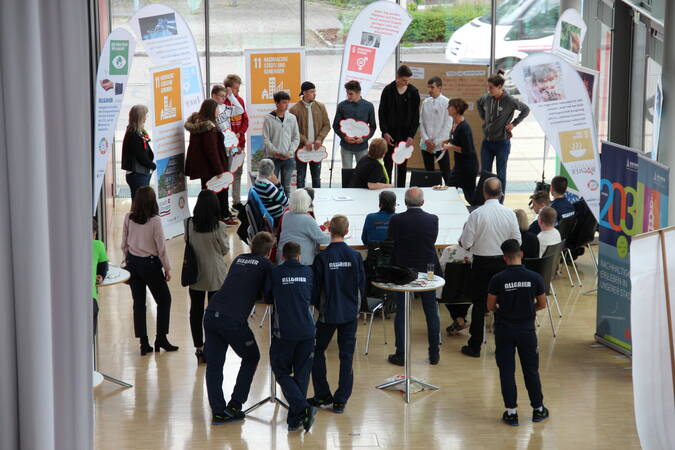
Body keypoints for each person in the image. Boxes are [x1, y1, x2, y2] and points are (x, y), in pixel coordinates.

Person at [204, 231, 276, 425]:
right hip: (232, 320)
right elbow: (269, 294)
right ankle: (235, 404)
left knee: (214, 365)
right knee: (252, 356)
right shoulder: (266, 264)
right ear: (269, 252)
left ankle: (218, 412)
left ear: (251, 246)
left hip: (211, 313)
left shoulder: (239, 259)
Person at [487, 239, 549, 426]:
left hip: (504, 330)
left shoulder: (497, 279)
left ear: (504, 258)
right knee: (531, 370)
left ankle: (512, 412)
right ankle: (538, 409)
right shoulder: (535, 277)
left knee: (506, 371)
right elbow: (542, 304)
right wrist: (528, 311)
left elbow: (490, 306)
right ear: (521, 254)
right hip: (527, 331)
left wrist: (504, 311)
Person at [458, 177, 521, 357]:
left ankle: (475, 346)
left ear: (483, 193)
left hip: (481, 263)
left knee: (479, 305)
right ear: (501, 193)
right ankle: (505, 345)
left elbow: (467, 242)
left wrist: (470, 245)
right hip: (504, 263)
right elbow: (517, 241)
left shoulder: (476, 215)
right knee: (504, 304)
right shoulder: (509, 214)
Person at [309, 215, 366, 414]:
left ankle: (322, 393)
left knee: (316, 350)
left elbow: (315, 290)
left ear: (329, 230)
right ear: (347, 231)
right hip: (350, 313)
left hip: (328, 314)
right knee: (346, 356)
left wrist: (319, 307)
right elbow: (361, 286)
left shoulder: (322, 258)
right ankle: (341, 400)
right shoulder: (355, 256)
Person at [387, 188, 441, 366]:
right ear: (423, 203)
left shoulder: (396, 219)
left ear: (405, 202)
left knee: (401, 312)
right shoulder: (433, 219)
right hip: (427, 270)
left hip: (403, 272)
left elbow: (391, 238)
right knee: (431, 311)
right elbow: (431, 241)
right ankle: (434, 353)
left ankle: (401, 354)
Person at [268, 242, 318, 432]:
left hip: (284, 333)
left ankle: (303, 409)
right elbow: (311, 296)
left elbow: (267, 295)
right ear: (299, 256)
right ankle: (294, 421)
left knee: (280, 370)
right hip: (307, 330)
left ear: (283, 256)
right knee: (302, 374)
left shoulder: (276, 273)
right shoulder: (307, 272)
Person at [121, 186, 177, 355]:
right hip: (151, 265)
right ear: (153, 202)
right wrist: (167, 268)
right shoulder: (155, 221)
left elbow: (124, 244)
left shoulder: (128, 217)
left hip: (132, 264)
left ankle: (143, 343)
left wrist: (126, 261)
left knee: (139, 303)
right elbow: (161, 248)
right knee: (164, 300)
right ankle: (161, 338)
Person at [184, 190, 229, 364]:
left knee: (195, 311)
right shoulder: (220, 226)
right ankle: (212, 345)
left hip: (195, 273)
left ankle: (199, 348)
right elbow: (225, 249)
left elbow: (187, 242)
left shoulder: (188, 223)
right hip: (216, 274)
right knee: (214, 312)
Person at [185, 99, 238, 226]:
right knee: (220, 191)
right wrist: (219, 170)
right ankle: (223, 216)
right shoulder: (208, 128)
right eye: (217, 108)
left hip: (204, 167)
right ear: (211, 110)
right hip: (212, 167)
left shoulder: (199, 124)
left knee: (207, 192)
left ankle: (211, 216)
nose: (218, 111)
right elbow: (211, 151)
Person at [477, 70, 530, 195]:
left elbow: (526, 110)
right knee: (485, 173)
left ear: (500, 87)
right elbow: (479, 103)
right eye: (488, 87)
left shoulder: (509, 100)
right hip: (487, 142)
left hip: (502, 142)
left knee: (501, 174)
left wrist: (514, 124)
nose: (489, 90)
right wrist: (484, 118)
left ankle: (500, 201)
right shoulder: (488, 97)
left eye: (491, 88)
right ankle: (484, 199)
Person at [379, 65, 420, 187]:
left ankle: (401, 190)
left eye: (408, 80)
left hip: (405, 134)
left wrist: (411, 135)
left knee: (402, 166)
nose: (406, 83)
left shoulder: (413, 92)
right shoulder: (388, 90)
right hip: (389, 134)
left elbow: (415, 117)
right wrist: (385, 132)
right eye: (404, 80)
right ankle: (387, 188)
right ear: (397, 77)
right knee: (387, 164)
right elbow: (381, 113)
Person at [289, 81, 331, 189]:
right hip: (302, 149)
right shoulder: (295, 109)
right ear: (304, 92)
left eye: (314, 91)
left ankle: (317, 200)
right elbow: (292, 130)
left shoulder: (320, 106)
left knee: (316, 177)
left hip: (316, 149)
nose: (314, 94)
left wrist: (319, 139)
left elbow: (327, 125)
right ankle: (300, 201)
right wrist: (305, 141)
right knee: (300, 177)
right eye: (312, 91)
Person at [277, 189, 330, 265]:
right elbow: (322, 239)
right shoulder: (307, 219)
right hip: (301, 262)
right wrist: (338, 235)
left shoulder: (286, 215)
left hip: (282, 260)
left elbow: (301, 229)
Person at [333, 80, 377, 169]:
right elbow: (335, 125)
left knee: (362, 173)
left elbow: (373, 126)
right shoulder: (342, 106)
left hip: (362, 147)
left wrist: (364, 139)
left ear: (358, 93)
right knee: (346, 173)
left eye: (351, 94)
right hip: (346, 146)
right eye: (347, 93)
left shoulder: (368, 106)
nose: (348, 96)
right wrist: (344, 137)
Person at [441, 98, 479, 201]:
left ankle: (481, 212)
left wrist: (449, 147)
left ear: (456, 109)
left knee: (470, 197)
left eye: (449, 106)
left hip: (468, 167)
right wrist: (447, 141)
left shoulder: (464, 128)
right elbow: (456, 139)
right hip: (459, 166)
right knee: (449, 190)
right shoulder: (455, 123)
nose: (447, 108)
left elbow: (467, 150)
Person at [263, 91, 300, 195]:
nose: (286, 105)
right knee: (272, 187)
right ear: (277, 103)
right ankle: (274, 209)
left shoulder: (292, 118)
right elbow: (266, 139)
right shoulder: (268, 119)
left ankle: (286, 210)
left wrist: (290, 151)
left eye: (287, 102)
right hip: (273, 158)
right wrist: (277, 152)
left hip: (289, 158)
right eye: (284, 102)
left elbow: (296, 138)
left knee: (286, 187)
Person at [419, 76, 451, 183]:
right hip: (426, 144)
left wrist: (435, 142)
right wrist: (427, 140)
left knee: (446, 172)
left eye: (432, 87)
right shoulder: (425, 102)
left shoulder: (447, 102)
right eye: (428, 87)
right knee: (429, 174)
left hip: (440, 144)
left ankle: (449, 197)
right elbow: (421, 122)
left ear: (440, 88)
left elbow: (447, 125)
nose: (429, 90)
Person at [224, 74, 249, 208]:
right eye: (235, 89)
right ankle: (224, 203)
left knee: (238, 172)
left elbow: (245, 119)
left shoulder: (240, 100)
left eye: (238, 90)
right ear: (228, 89)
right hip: (229, 146)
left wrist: (240, 133)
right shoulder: (223, 104)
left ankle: (236, 201)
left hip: (240, 144)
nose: (237, 92)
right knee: (228, 173)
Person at [121, 104, 155, 200]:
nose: (146, 118)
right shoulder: (133, 135)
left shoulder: (136, 131)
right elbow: (141, 156)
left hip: (139, 174)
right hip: (137, 175)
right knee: (140, 203)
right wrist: (152, 165)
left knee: (138, 203)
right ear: (139, 117)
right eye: (145, 115)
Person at [91, 218, 108, 336]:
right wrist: (101, 276)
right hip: (90, 299)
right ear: (94, 233)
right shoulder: (98, 245)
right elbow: (103, 266)